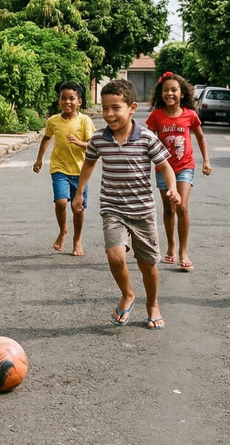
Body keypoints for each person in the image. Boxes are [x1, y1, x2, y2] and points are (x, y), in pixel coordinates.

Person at [73, 79, 180, 330]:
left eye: (115, 108)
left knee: (148, 264)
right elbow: (89, 164)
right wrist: (80, 192)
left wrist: (172, 189)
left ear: (132, 107)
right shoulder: (99, 139)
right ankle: (128, 293)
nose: (109, 114)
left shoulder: (146, 137)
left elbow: (165, 166)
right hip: (113, 208)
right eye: (105, 108)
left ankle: (152, 304)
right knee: (115, 255)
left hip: (142, 210)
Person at [145, 72, 211, 271]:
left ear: (182, 93)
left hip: (184, 167)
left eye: (174, 90)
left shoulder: (190, 115)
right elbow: (146, 139)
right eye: (166, 90)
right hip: (163, 169)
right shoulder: (156, 116)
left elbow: (200, 137)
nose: (169, 93)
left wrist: (206, 160)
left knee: (181, 207)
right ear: (161, 93)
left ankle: (183, 250)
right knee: (168, 209)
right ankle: (171, 245)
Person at [33, 81, 96, 256]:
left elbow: (92, 145)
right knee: (61, 202)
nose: (67, 102)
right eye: (63, 98)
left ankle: (77, 240)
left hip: (80, 171)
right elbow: (46, 138)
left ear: (79, 102)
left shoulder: (85, 121)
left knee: (78, 207)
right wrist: (39, 159)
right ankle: (63, 231)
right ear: (59, 100)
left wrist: (79, 142)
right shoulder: (53, 120)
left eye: (71, 99)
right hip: (59, 168)